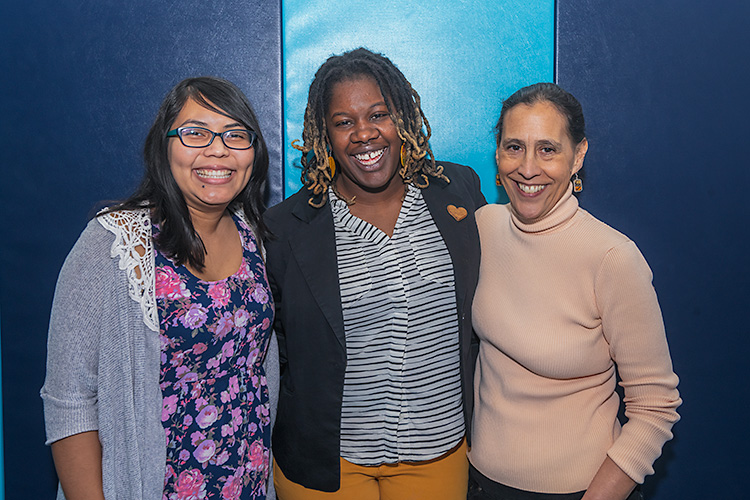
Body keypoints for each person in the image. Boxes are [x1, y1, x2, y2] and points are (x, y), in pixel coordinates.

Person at [41, 76, 278, 500]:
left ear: (253, 154)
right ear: (163, 146)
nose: (217, 149)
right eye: (195, 133)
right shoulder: (112, 243)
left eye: (235, 135)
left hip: (249, 484)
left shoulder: (255, 235)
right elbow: (70, 399)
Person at [263, 48, 486, 500]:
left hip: (437, 452)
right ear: (324, 134)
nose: (364, 133)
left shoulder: (457, 191)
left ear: (402, 117)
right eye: (344, 122)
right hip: (329, 463)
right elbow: (277, 350)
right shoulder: (285, 229)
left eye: (379, 114)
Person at [469, 82, 681, 500]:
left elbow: (656, 406)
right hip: (479, 484)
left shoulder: (612, 257)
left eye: (547, 149)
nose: (528, 168)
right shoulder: (482, 228)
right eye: (515, 147)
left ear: (578, 155)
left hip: (581, 492)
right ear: (497, 153)